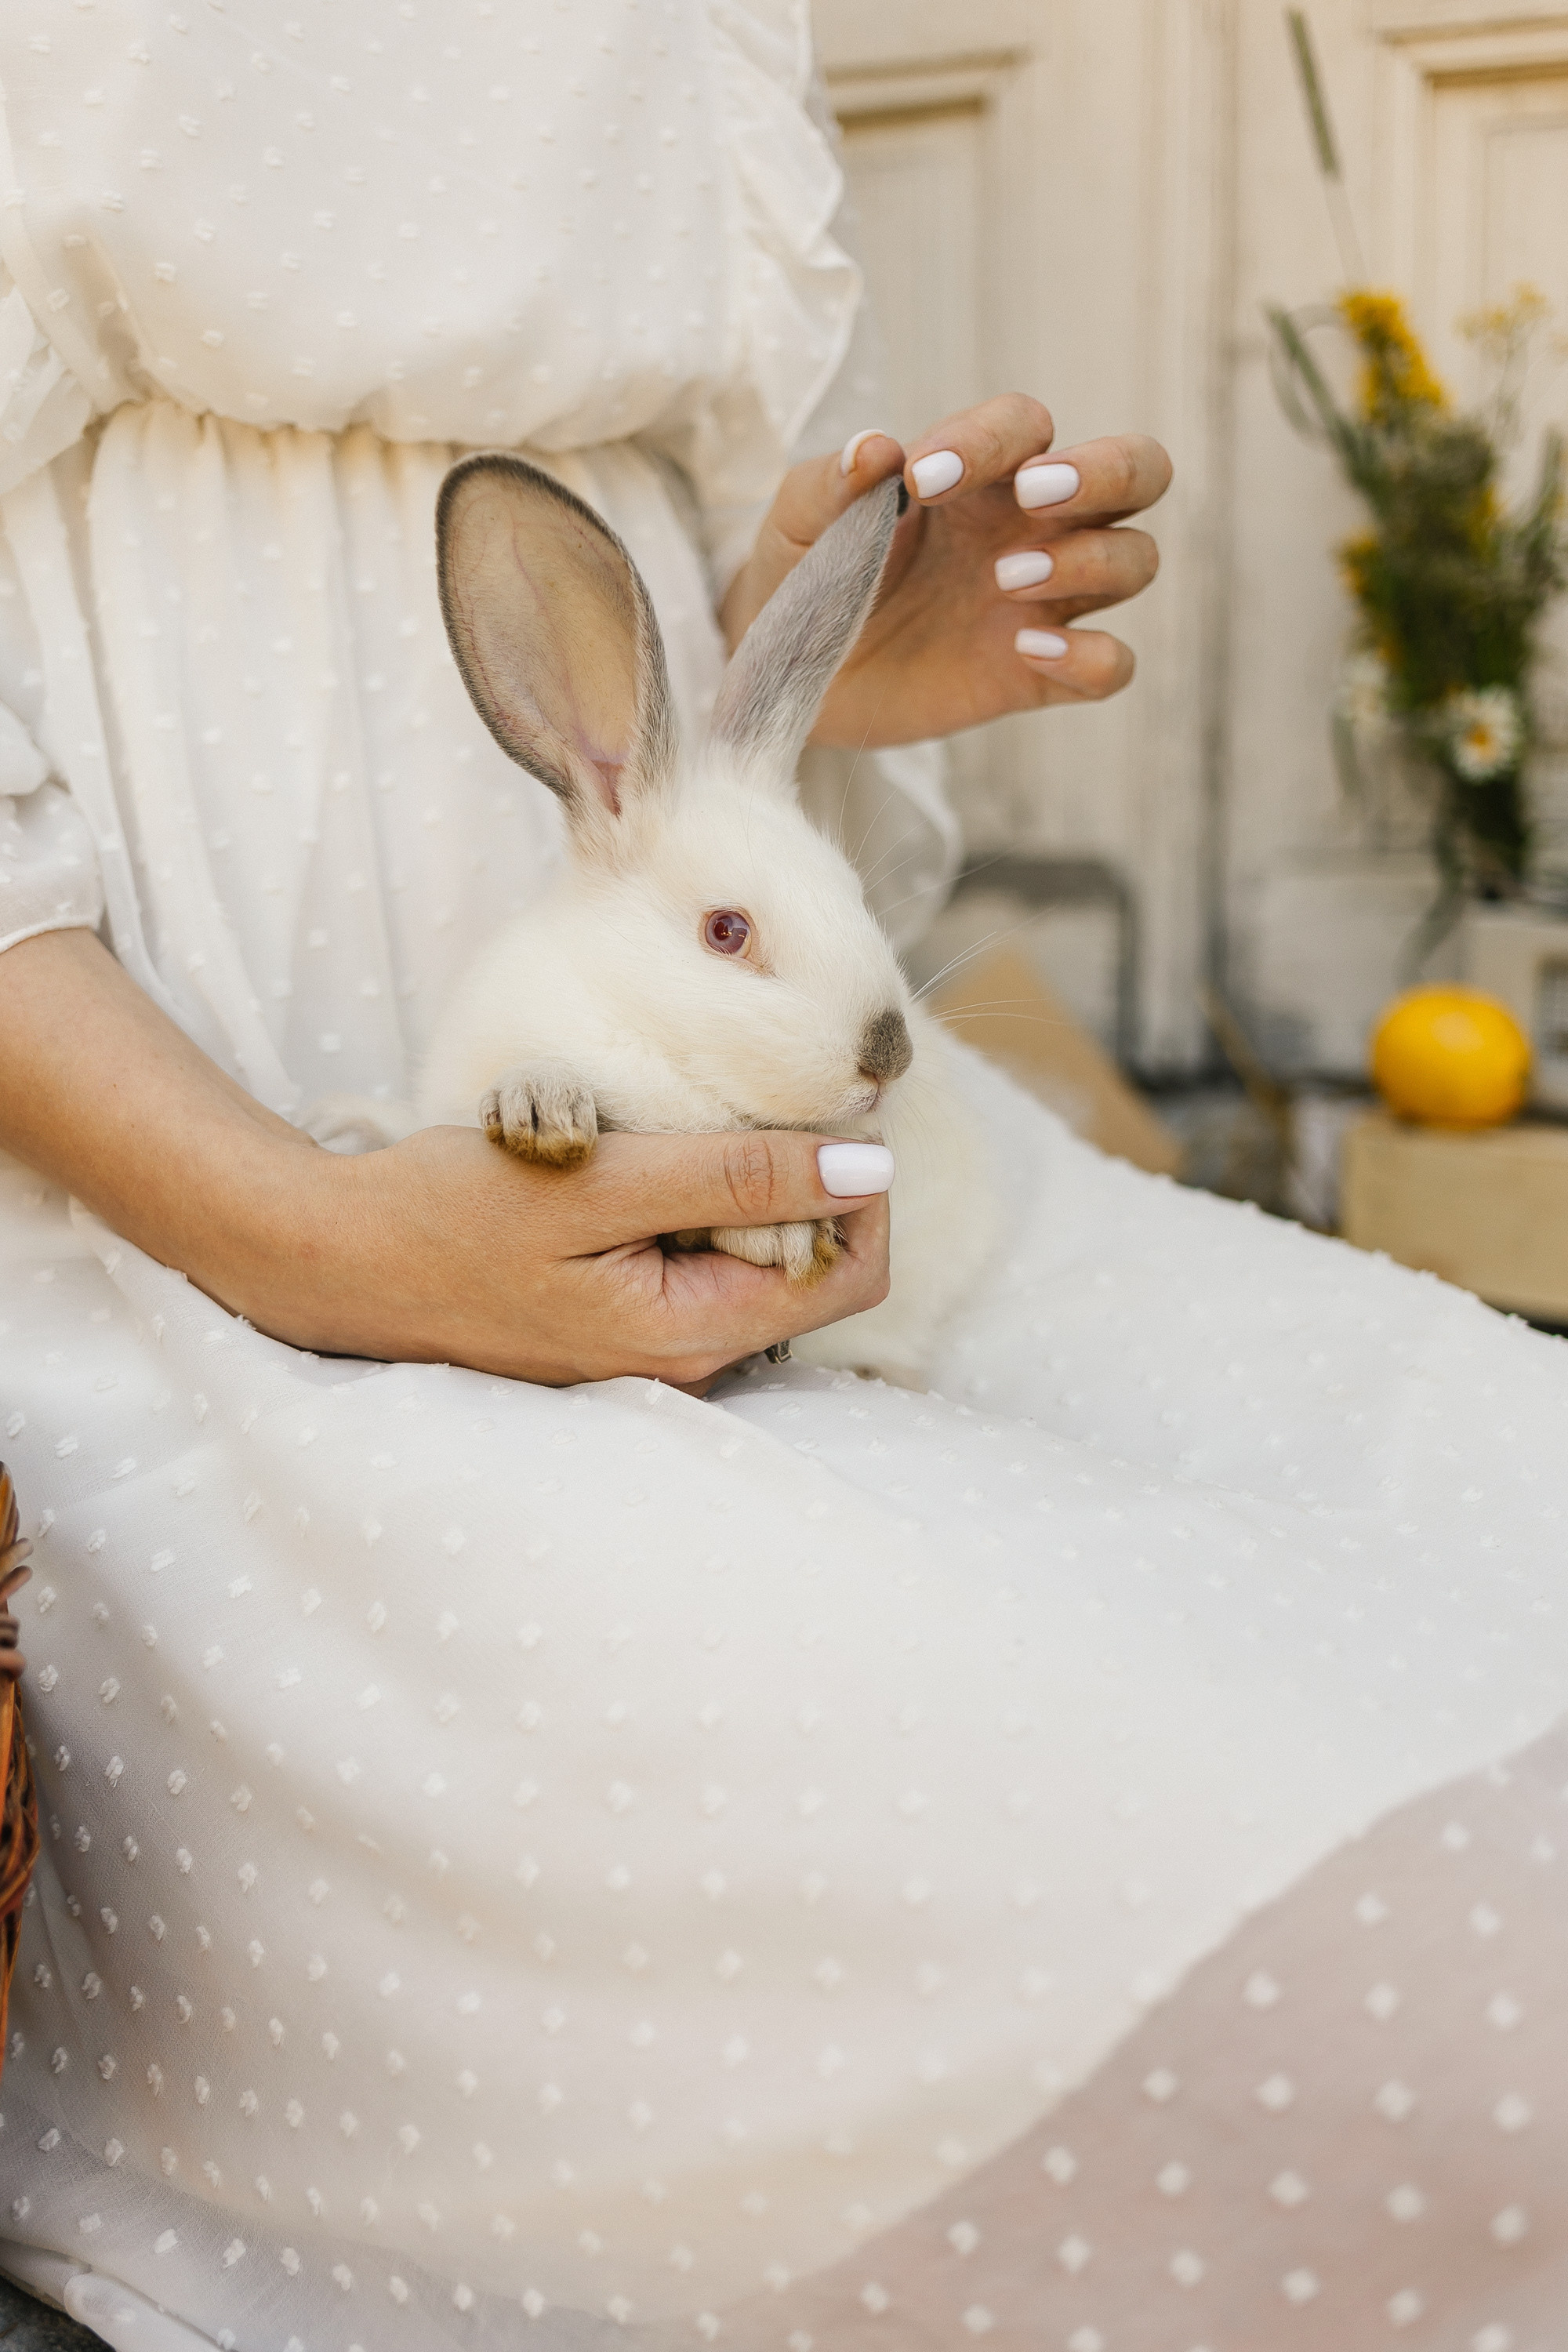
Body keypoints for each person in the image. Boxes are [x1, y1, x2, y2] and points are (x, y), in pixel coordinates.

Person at [0, 9, 1563, 2348]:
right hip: (193, 1186)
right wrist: (322, 1234)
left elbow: (657, 714)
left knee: (1478, 1484)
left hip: (792, 1125)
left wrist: (797, 676)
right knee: (1423, 1957)